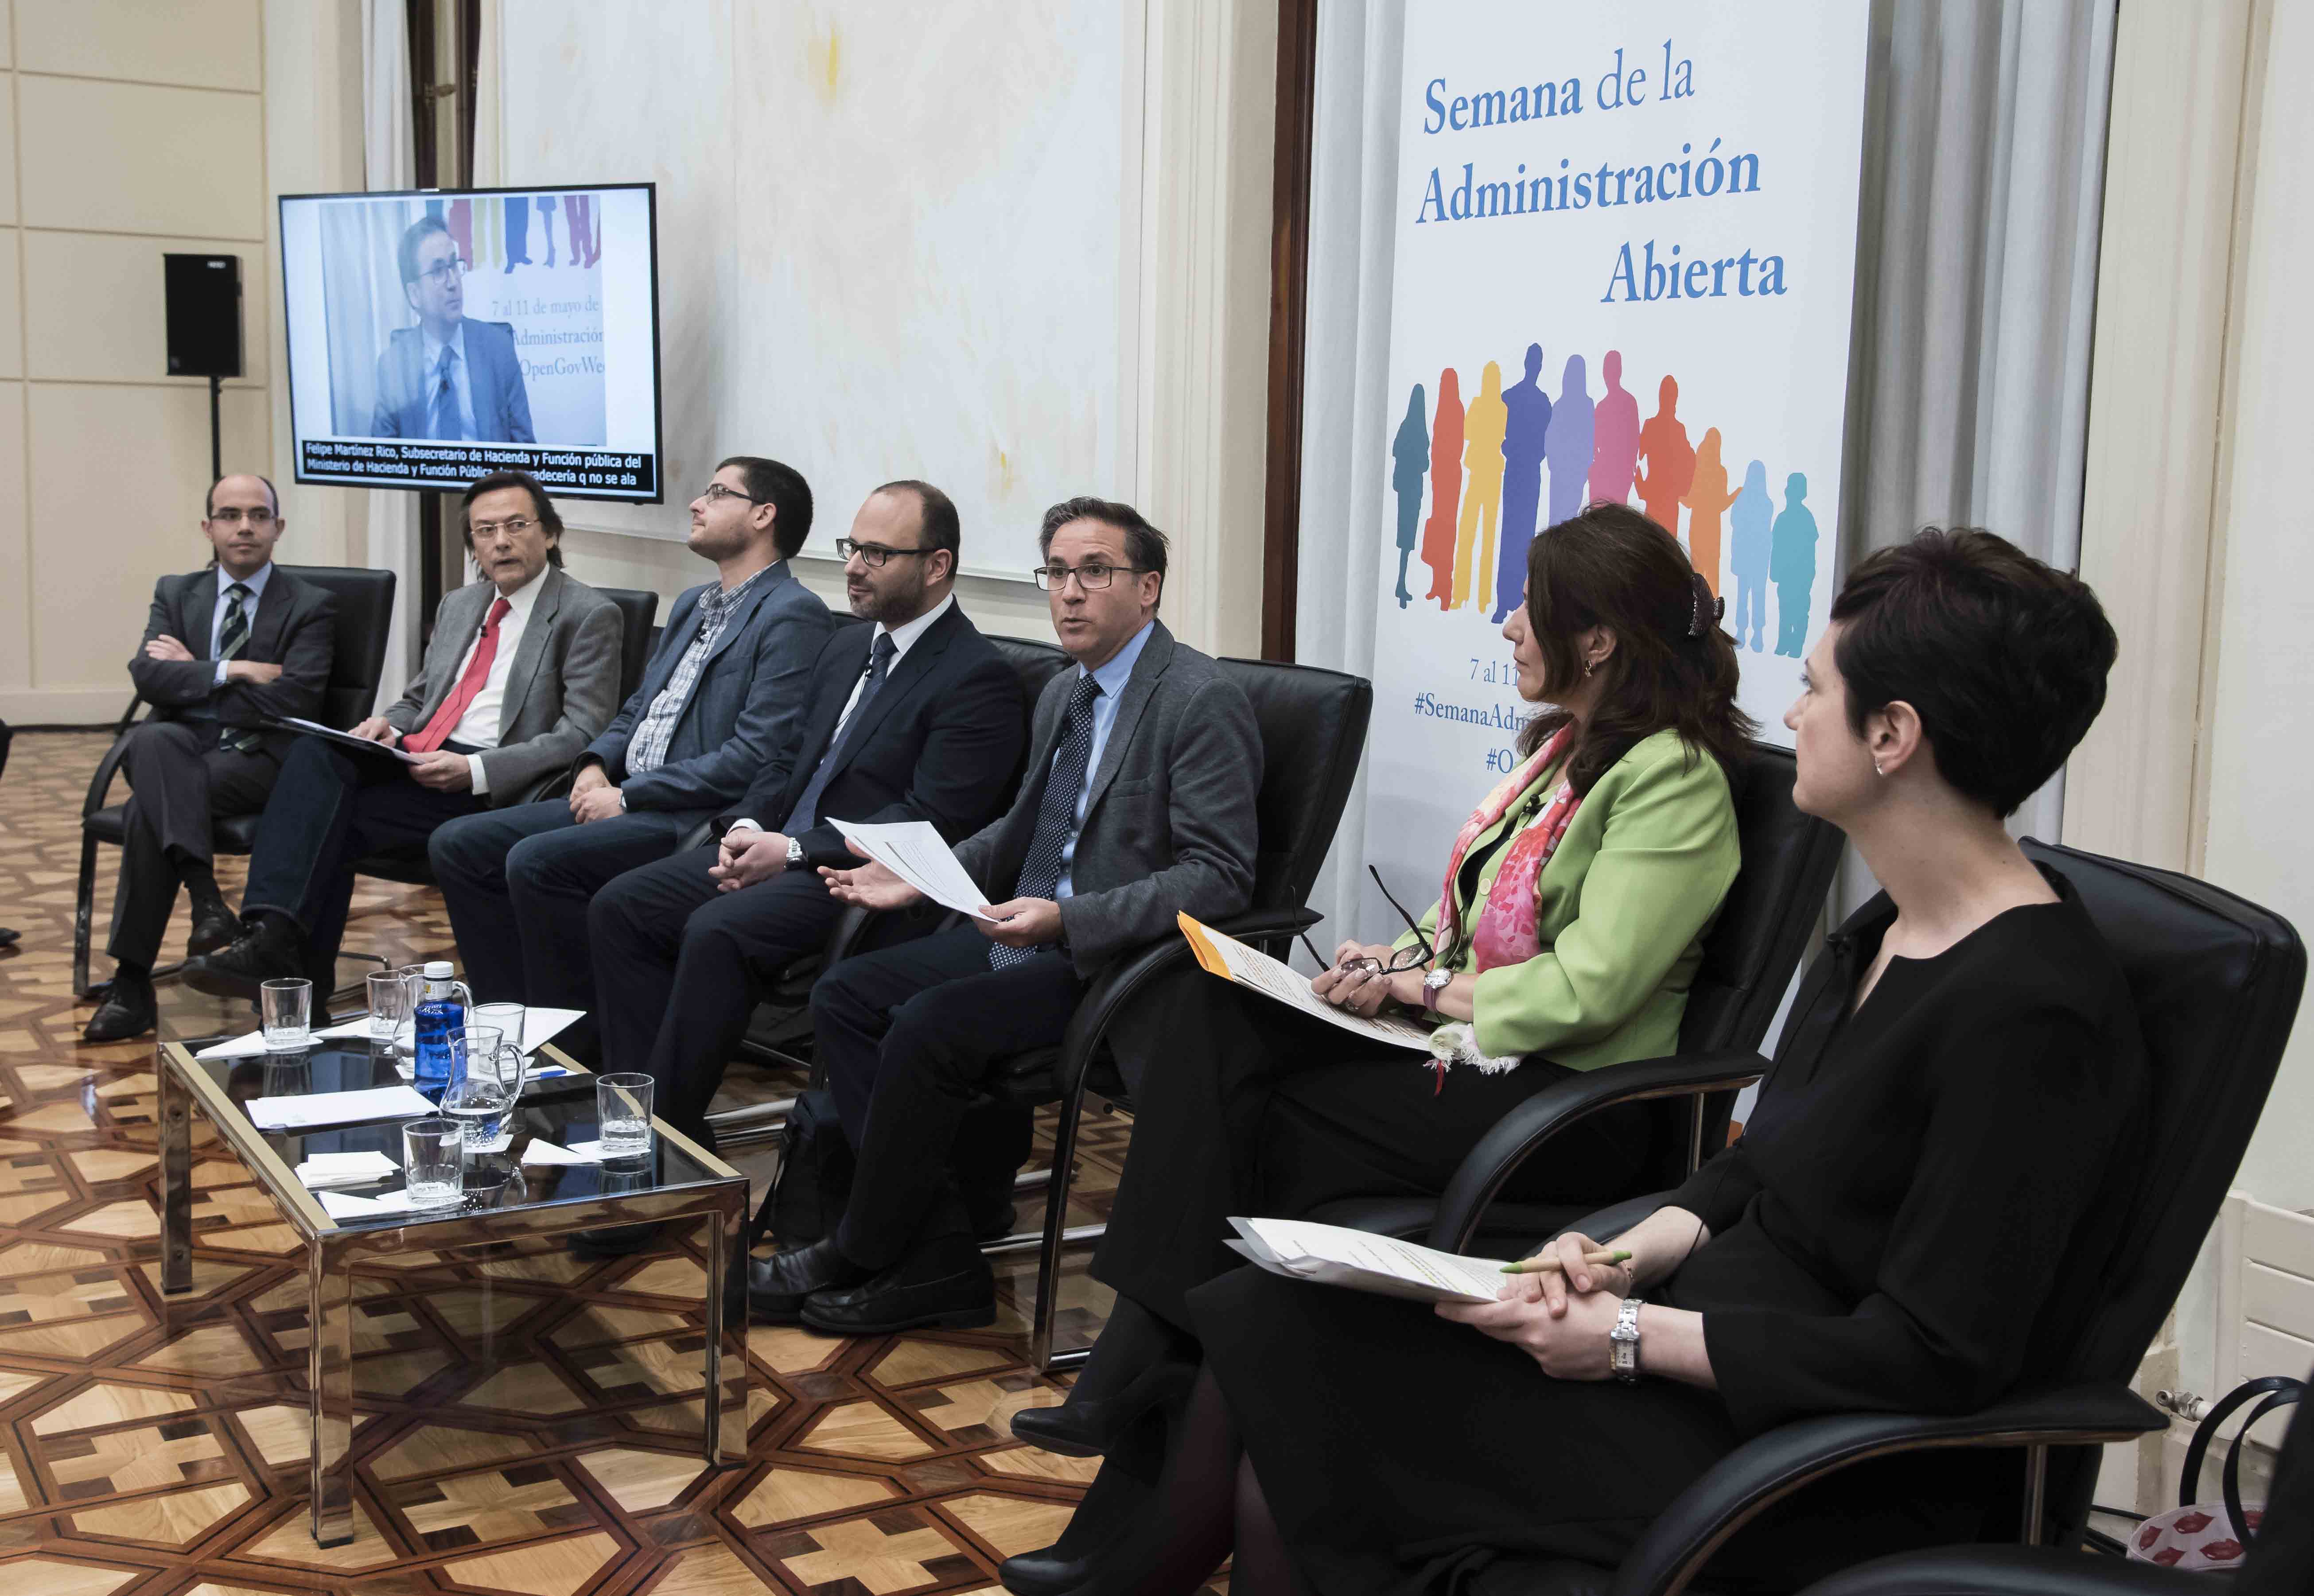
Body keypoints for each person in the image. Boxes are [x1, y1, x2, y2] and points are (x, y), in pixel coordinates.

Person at [1017, 528, 2143, 1596]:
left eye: (1814, 688)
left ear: (1891, 735)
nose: (1793, 713)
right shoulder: (1883, 931)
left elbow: (1929, 1355)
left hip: (1796, 1438)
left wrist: (1629, 1337)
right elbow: (1756, 1171)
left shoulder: (2031, 1011)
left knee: (1311, 1408)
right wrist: (1614, 1253)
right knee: (1273, 1317)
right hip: (1704, 1338)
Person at [1007, 501, 1749, 1483]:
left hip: (1569, 1101)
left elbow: (1589, 991)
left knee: (1253, 1127)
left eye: (1528, 608)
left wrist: (1424, 987)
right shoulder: (1566, 751)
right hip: (1482, 1061)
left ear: (1598, 639)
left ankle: (1162, 1385)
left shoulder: (1673, 778)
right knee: (1212, 1010)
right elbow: (1465, 914)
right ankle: (1164, 1380)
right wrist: (1387, 962)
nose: (1508, 627)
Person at [745, 495, 1263, 1335]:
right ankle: (936, 1252)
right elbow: (1019, 830)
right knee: (845, 994)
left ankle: (865, 1245)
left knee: (925, 1025)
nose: (1069, 591)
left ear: (1148, 588)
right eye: (1055, 571)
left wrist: (1068, 919)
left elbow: (1219, 877)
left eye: (1094, 571)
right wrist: (917, 877)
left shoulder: (1197, 698)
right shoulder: (1064, 692)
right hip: (1025, 935)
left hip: (1115, 964)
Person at [585, 479, 1027, 1148]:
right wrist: (746, 825)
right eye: (853, 547)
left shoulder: (975, 675)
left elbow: (930, 816)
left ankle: (659, 1142)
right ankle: (637, 1105)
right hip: (777, 845)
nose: (854, 567)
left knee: (717, 929)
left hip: (852, 873)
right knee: (621, 905)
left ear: (936, 565)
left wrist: (793, 850)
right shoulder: (847, 645)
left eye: (878, 554)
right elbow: (785, 760)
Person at [426, 457, 834, 1064]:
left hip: (691, 815)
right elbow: (637, 709)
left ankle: (573, 1054)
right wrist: (594, 763)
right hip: (626, 792)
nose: (696, 503)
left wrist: (628, 795)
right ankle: (511, 1030)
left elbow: (755, 756)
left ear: (763, 515)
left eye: (717, 492)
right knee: (458, 844)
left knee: (537, 862)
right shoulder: (696, 602)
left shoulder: (792, 613)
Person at [186, 471, 620, 999]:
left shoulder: (588, 613)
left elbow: (582, 733)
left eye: (516, 526)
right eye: (485, 531)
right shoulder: (461, 604)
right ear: (474, 544)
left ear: (549, 533)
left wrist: (474, 771)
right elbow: (419, 700)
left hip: (493, 784)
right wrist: (388, 725)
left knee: (329, 826)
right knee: (317, 753)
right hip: (422, 760)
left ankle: (285, 979)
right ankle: (273, 942)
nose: (501, 542)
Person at [81, 476, 338, 1041]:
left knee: (151, 801)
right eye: (229, 515)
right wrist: (233, 669)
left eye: (258, 515)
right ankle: (206, 902)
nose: (244, 527)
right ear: (208, 527)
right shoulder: (178, 593)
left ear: (278, 527)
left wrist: (193, 674)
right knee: (154, 743)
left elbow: (294, 700)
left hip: (261, 760)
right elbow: (148, 677)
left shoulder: (312, 604)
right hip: (182, 751)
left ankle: (133, 981)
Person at [370, 214, 535, 443]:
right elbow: (383, 459)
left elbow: (525, 451)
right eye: (438, 271)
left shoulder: (499, 350)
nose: (453, 282)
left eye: (454, 265)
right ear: (414, 294)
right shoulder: (393, 367)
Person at [1454, 361, 1507, 611]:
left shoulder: (1496, 407)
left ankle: (1478, 597)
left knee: (1483, 536)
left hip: (1488, 474)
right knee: (1475, 535)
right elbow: (1467, 432)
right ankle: (1469, 595)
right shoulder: (1496, 407)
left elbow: (1469, 432)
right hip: (1483, 473)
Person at [1681, 427, 1740, 599]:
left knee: (1697, 570)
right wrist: (1735, 495)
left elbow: (1689, 502)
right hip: (1713, 527)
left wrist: (1678, 496)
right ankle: (1714, 612)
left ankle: (1694, 608)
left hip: (1698, 525)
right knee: (1712, 573)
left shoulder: (1697, 471)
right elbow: (1721, 505)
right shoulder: (1720, 472)